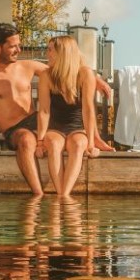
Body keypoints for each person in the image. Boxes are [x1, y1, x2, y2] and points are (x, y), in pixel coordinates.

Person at [0, 22, 48, 195]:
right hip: (15, 130)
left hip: (37, 122)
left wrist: (95, 79)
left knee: (63, 138)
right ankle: (38, 195)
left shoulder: (28, 66)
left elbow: (63, 73)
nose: (19, 50)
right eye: (13, 46)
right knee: (26, 140)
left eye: (19, 45)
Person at [37, 34, 97, 198]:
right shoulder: (46, 76)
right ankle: (61, 194)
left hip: (77, 128)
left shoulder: (85, 74)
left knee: (78, 145)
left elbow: (88, 110)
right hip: (55, 128)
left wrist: (91, 143)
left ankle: (64, 195)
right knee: (54, 144)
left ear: (62, 52)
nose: (47, 54)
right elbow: (44, 111)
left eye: (50, 50)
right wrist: (40, 142)